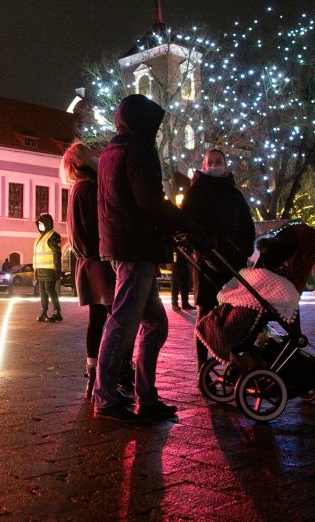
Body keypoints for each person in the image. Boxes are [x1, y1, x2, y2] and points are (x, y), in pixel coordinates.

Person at [94, 94, 202, 421]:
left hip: (123, 244)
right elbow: (149, 201)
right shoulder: (139, 150)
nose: (156, 131)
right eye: (154, 125)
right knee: (124, 323)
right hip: (136, 247)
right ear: (143, 122)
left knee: (154, 323)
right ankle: (106, 397)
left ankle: (146, 396)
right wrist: (188, 224)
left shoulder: (110, 152)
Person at [180, 147, 255, 371]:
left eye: (218, 160)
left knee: (235, 313)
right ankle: (202, 366)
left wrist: (243, 250)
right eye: (210, 161)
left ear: (225, 163)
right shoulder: (195, 193)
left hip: (233, 260)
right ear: (204, 165)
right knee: (205, 312)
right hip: (206, 261)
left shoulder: (234, 195)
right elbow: (187, 223)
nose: (214, 164)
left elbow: (247, 226)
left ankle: (235, 362)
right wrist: (201, 245)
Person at [61, 141, 122, 397]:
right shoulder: (91, 186)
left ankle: (93, 374)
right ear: (79, 161)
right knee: (118, 319)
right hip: (100, 261)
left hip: (88, 262)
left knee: (98, 319)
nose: (96, 155)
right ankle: (111, 375)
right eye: (88, 152)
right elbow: (102, 223)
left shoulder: (78, 187)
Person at [33, 213, 63, 322]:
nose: (40, 225)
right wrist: (35, 272)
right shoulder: (40, 238)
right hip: (40, 270)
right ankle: (43, 312)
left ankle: (57, 312)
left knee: (49, 290)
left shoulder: (53, 236)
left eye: (41, 223)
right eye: (39, 223)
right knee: (42, 292)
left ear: (48, 223)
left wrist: (57, 270)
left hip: (50, 270)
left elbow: (57, 254)